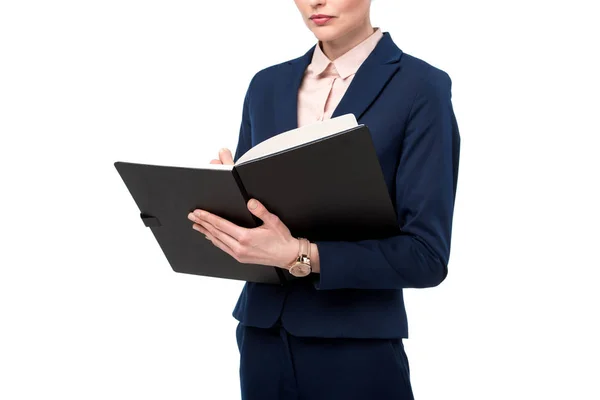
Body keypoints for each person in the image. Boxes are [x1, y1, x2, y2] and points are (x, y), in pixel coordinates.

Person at [187, 0, 460, 398]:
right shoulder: (266, 86)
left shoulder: (421, 87)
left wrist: (300, 254)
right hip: (263, 338)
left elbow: (426, 256)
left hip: (356, 348)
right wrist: (225, 199)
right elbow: (259, 227)